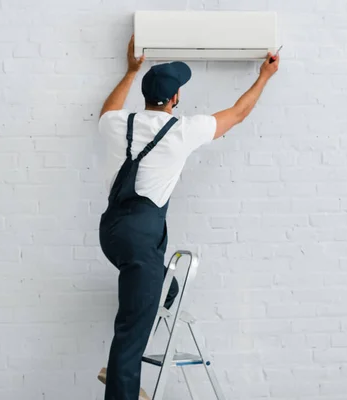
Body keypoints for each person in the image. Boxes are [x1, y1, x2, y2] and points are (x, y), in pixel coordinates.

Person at [96, 35, 279, 400]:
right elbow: (238, 114)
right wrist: (264, 77)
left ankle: (120, 373)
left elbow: (108, 108)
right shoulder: (182, 131)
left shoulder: (117, 125)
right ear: (175, 99)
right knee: (132, 330)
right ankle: (123, 385)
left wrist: (130, 71)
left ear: (145, 97)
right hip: (141, 237)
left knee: (166, 291)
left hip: (112, 232)